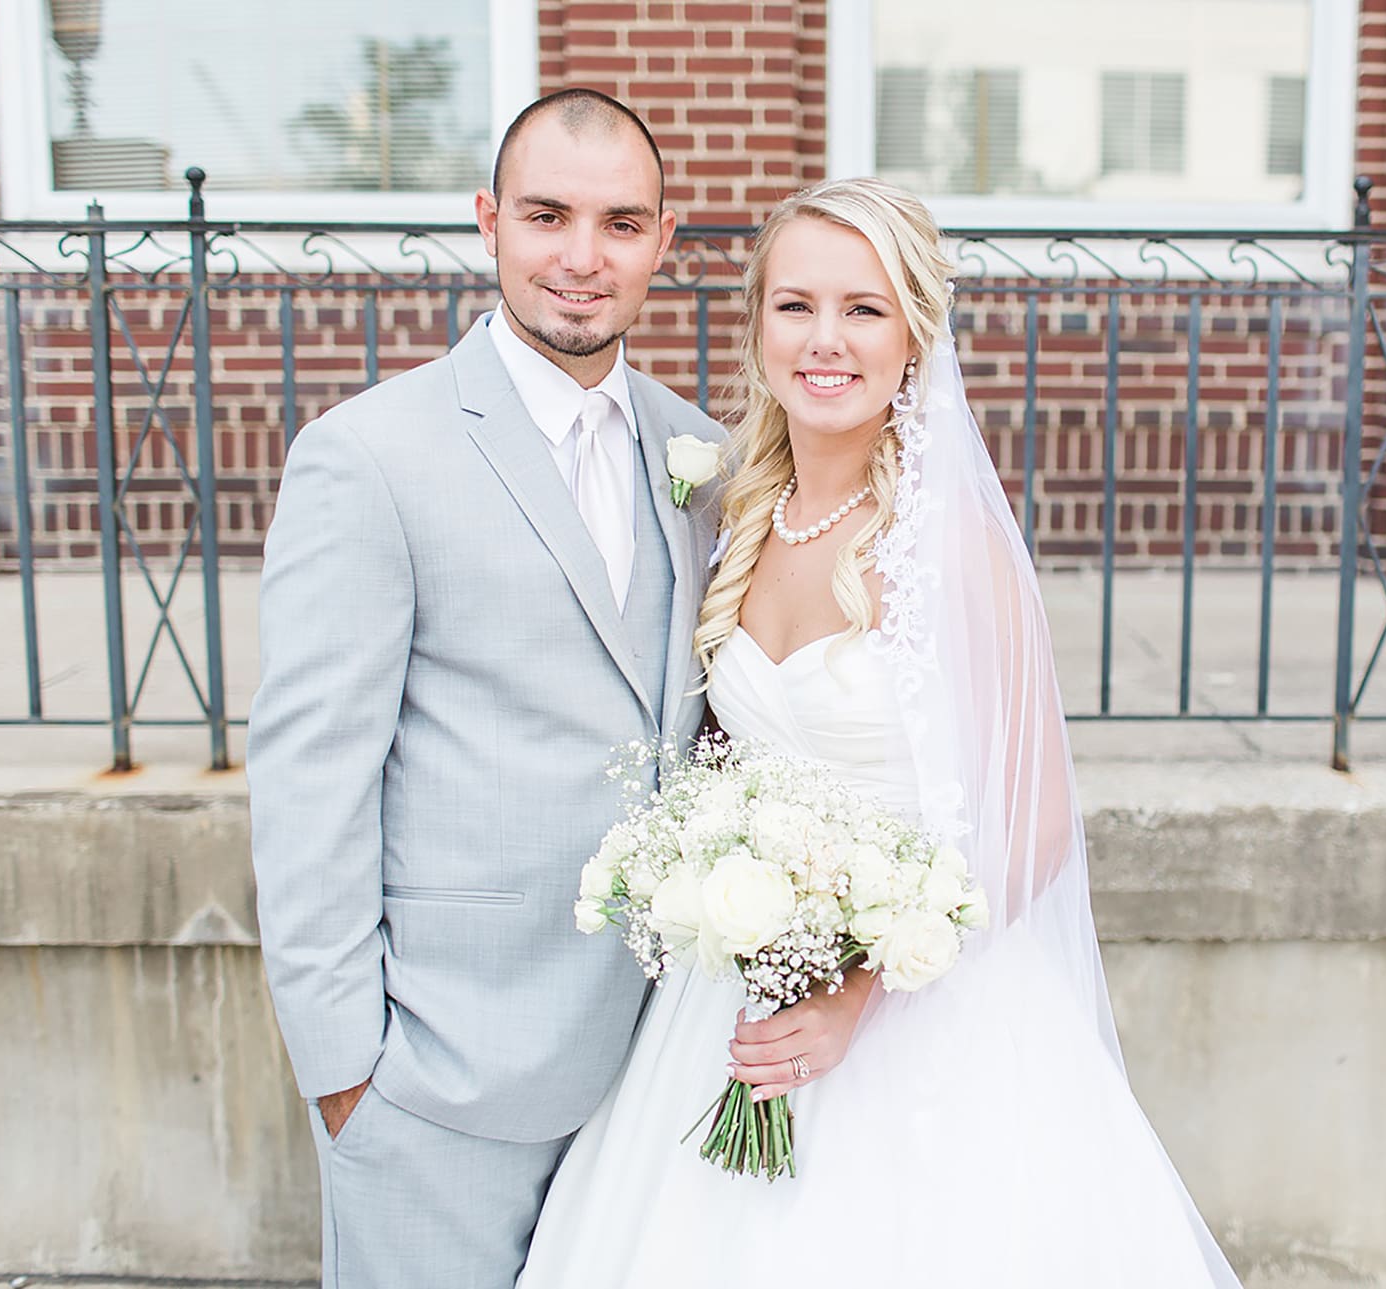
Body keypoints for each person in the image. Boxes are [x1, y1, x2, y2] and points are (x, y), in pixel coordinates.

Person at [518, 177, 1241, 1287]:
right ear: (756, 323)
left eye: (864, 309)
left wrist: (856, 985)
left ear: (914, 337)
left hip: (921, 1014)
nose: (825, 339)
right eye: (795, 304)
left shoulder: (949, 546)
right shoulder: (731, 514)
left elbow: (1035, 822)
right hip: (732, 996)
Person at [246, 91, 769, 1288]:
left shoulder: (702, 456)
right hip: (441, 1072)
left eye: (620, 224)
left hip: (653, 1070)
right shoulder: (370, 455)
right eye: (547, 216)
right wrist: (347, 1074)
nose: (582, 259)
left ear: (663, 240)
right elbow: (310, 777)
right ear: (488, 222)